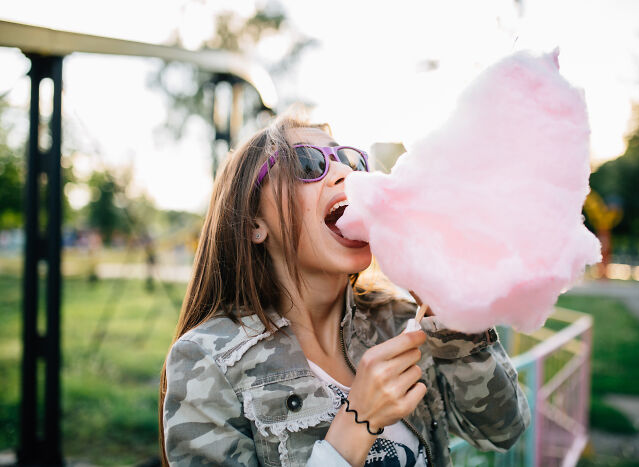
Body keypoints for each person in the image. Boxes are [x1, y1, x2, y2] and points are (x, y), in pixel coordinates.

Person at [159, 112, 531, 466]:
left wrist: (448, 309)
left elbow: (503, 430)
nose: (344, 173)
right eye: (306, 164)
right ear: (255, 223)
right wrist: (358, 422)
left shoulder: (404, 321)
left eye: (352, 163)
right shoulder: (207, 361)